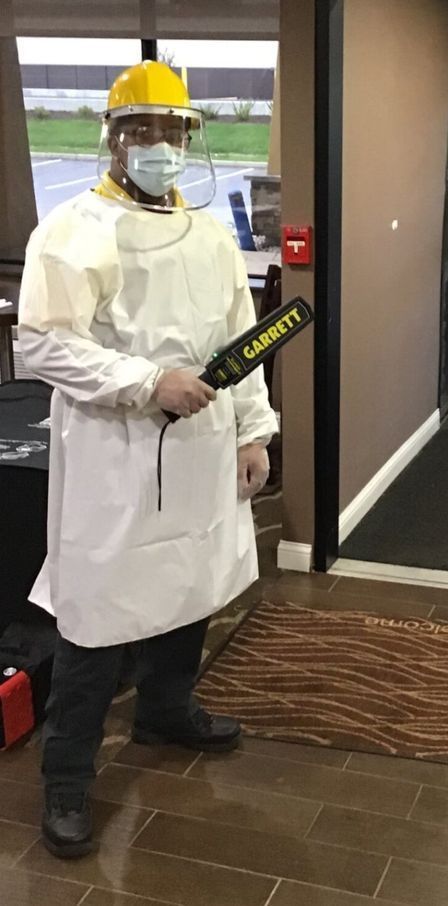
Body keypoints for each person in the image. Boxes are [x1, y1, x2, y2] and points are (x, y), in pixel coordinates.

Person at [17, 60, 278, 859]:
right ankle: (67, 777)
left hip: (201, 450)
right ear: (113, 138)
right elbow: (43, 343)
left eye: (173, 130)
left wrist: (253, 431)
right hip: (115, 456)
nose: (159, 144)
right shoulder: (73, 231)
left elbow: (240, 343)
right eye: (142, 129)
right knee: (97, 615)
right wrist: (146, 381)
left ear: (191, 138)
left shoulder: (209, 235)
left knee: (188, 584)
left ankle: (165, 710)